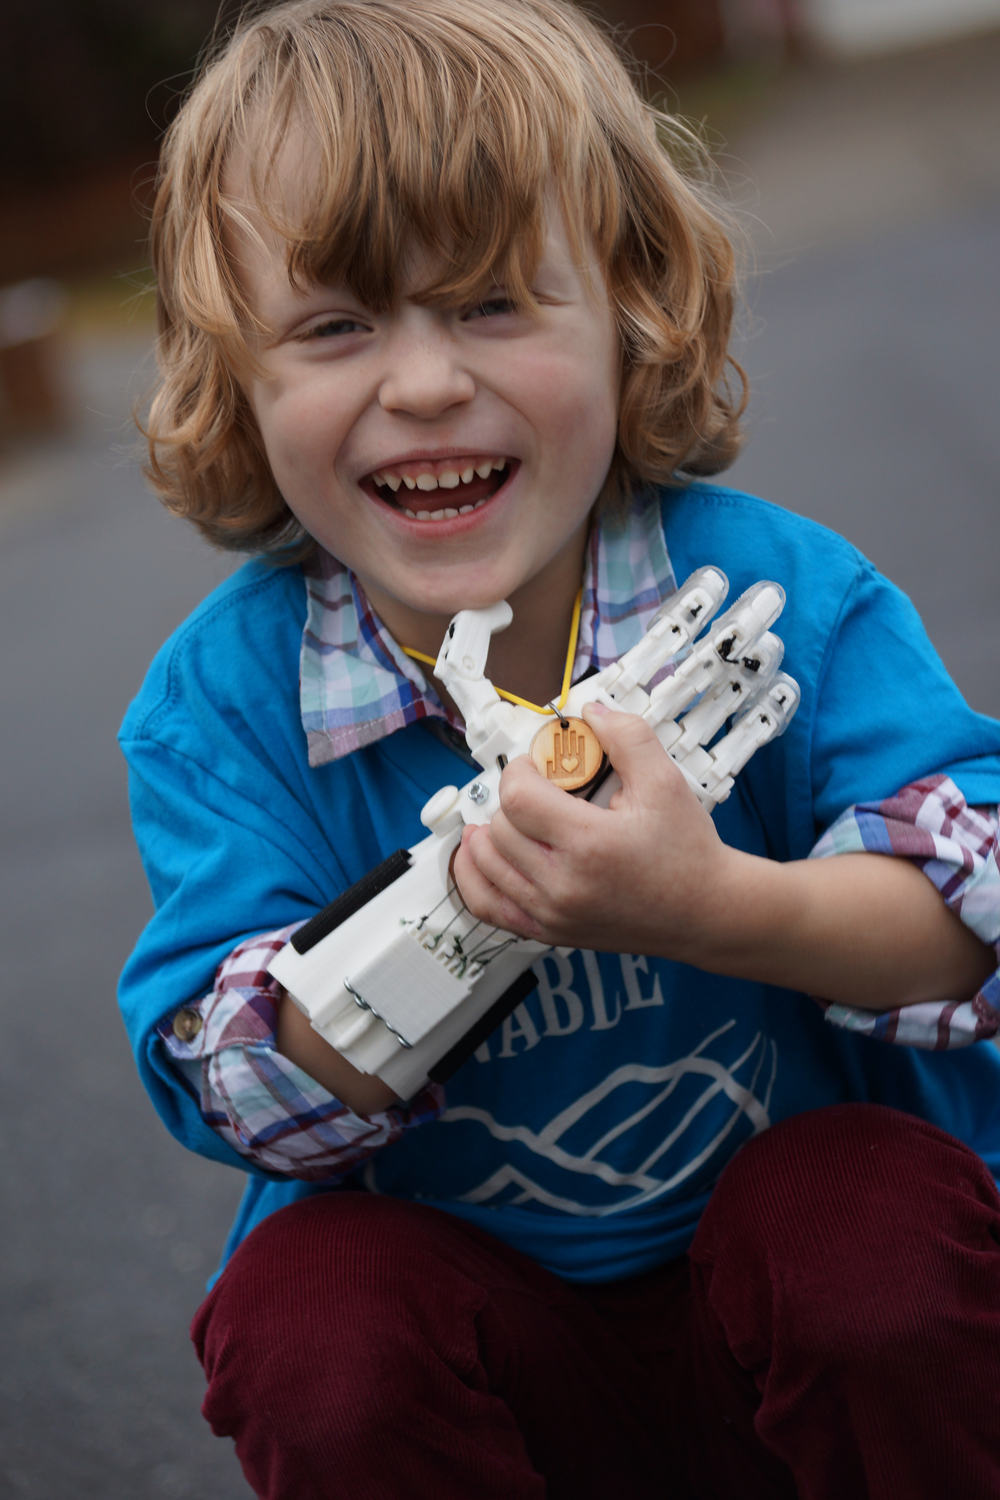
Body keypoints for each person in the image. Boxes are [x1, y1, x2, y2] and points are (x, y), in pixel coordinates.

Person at [119, 2, 1000, 1495]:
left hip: (801, 1327)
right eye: (335, 325)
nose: (421, 384)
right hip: (495, 1375)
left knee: (865, 1218)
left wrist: (709, 906)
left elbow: (976, 918)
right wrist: (457, 919)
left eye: (491, 304)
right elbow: (238, 1089)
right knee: (309, 1317)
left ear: (632, 308)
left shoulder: (782, 599)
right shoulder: (223, 706)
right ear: (236, 374)